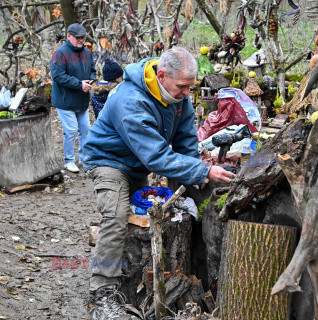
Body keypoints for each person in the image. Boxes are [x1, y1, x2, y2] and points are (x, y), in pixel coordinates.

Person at [81, 47, 235, 320]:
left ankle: (143, 279)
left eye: (191, 87)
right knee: (116, 217)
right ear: (161, 76)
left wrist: (195, 176)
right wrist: (202, 172)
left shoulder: (179, 98)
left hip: (137, 163)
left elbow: (186, 143)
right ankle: (103, 293)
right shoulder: (130, 100)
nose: (188, 93)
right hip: (108, 161)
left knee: (151, 220)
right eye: (183, 86)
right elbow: (155, 156)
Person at [50, 23, 96, 173]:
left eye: (82, 37)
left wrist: (91, 80)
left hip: (82, 100)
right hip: (64, 101)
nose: (81, 40)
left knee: (86, 130)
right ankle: (69, 160)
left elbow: (93, 70)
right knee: (71, 130)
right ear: (69, 36)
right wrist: (78, 84)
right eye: (77, 37)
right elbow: (58, 76)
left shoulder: (87, 53)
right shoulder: (60, 53)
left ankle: (84, 158)